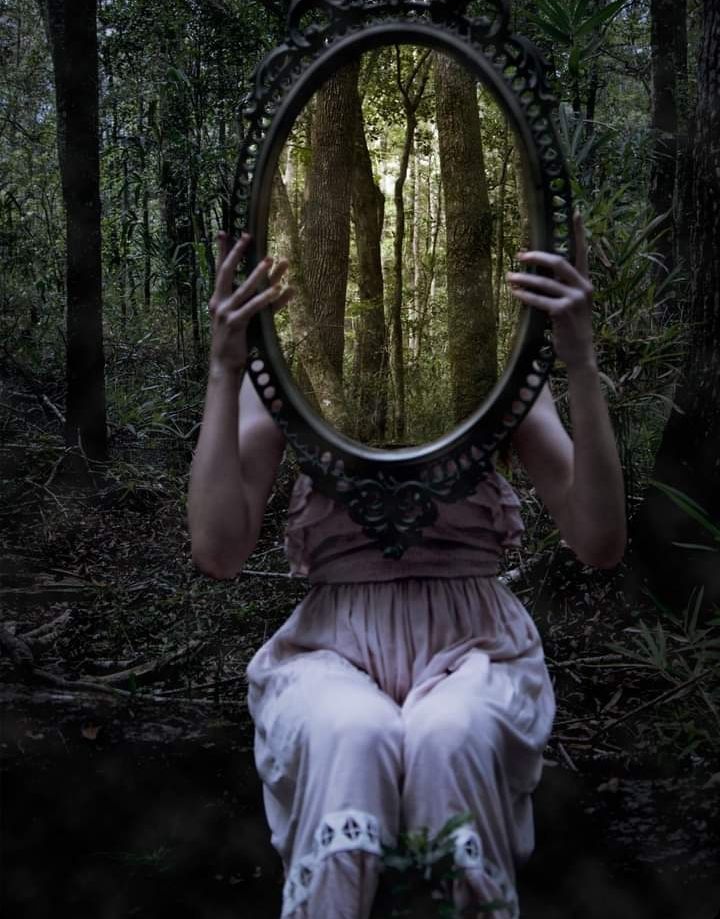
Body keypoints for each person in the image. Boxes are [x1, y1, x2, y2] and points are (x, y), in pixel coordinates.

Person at [187, 213, 626, 919]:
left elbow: (599, 539)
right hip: (334, 642)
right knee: (348, 733)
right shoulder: (296, 359)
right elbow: (217, 547)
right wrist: (226, 365)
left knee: (449, 736)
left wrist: (579, 360)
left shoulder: (492, 355)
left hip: (473, 643)